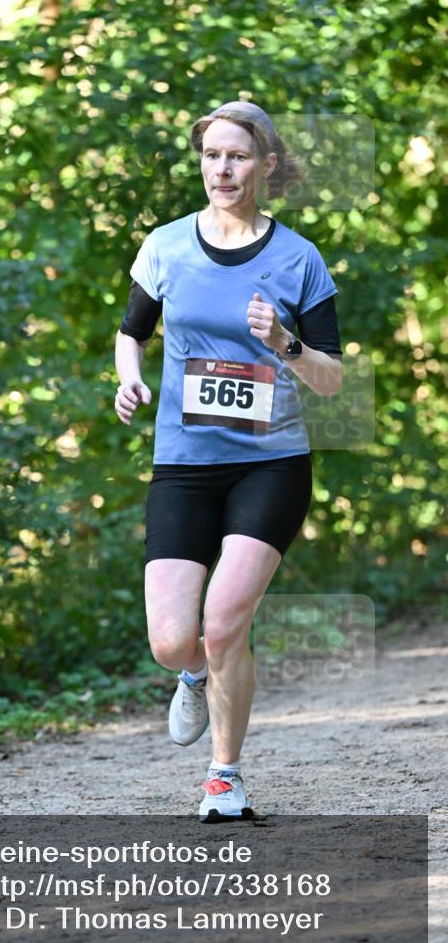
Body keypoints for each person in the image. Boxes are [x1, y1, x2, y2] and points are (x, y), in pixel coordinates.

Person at [113, 100, 343, 822]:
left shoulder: (298, 258)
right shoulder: (166, 246)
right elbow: (132, 332)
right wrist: (127, 375)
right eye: (212, 155)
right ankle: (190, 674)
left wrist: (285, 342)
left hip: (269, 463)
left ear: (265, 164)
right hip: (183, 463)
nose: (222, 168)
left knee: (224, 623)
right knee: (173, 639)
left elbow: (331, 377)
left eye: (237, 156)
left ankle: (224, 777)